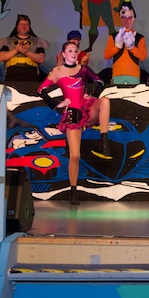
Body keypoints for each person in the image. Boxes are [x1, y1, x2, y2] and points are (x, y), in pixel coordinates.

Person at [38, 42, 111, 206]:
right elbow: (41, 90)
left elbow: (100, 82)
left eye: (75, 51)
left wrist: (92, 96)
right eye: (70, 51)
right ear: (63, 54)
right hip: (72, 115)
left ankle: (104, 140)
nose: (73, 53)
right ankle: (73, 191)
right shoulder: (57, 72)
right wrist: (58, 104)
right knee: (75, 155)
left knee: (105, 101)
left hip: (87, 109)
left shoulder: (83, 69)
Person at [0, 14, 50, 82]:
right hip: (12, 76)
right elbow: (1, 57)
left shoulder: (37, 41)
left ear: (29, 27)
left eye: (26, 24)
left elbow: (41, 59)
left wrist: (27, 52)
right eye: (21, 24)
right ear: (17, 26)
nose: (24, 26)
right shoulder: (7, 41)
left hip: (31, 77)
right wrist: (16, 50)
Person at [103, 2, 147, 85]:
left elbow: (143, 57)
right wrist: (117, 46)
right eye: (123, 17)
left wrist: (132, 47)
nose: (126, 20)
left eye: (129, 18)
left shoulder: (139, 37)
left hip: (133, 76)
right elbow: (106, 55)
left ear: (133, 19)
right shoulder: (114, 36)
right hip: (117, 75)